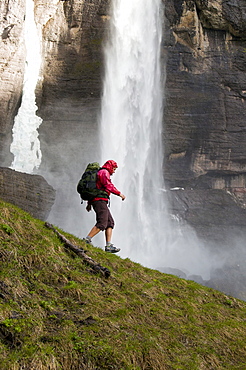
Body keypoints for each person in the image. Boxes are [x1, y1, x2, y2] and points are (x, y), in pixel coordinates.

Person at [83, 160, 126, 253]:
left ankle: (108, 245)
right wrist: (119, 194)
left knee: (110, 222)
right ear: (110, 166)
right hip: (100, 201)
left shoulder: (101, 172)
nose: (114, 171)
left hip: (100, 201)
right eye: (114, 169)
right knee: (102, 222)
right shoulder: (104, 172)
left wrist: (89, 203)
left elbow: (96, 188)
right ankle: (87, 239)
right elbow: (107, 185)